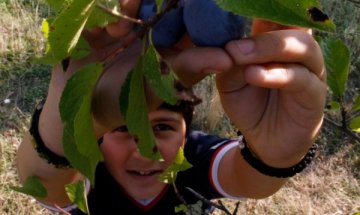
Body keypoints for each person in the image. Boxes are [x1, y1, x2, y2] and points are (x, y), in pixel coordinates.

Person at [16, 1, 327, 214]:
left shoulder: (190, 160)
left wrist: (274, 160)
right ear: (98, 137)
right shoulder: (92, 175)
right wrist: (74, 116)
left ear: (186, 130)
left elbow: (251, 180)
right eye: (125, 127)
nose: (146, 147)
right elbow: (44, 186)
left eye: (163, 126)